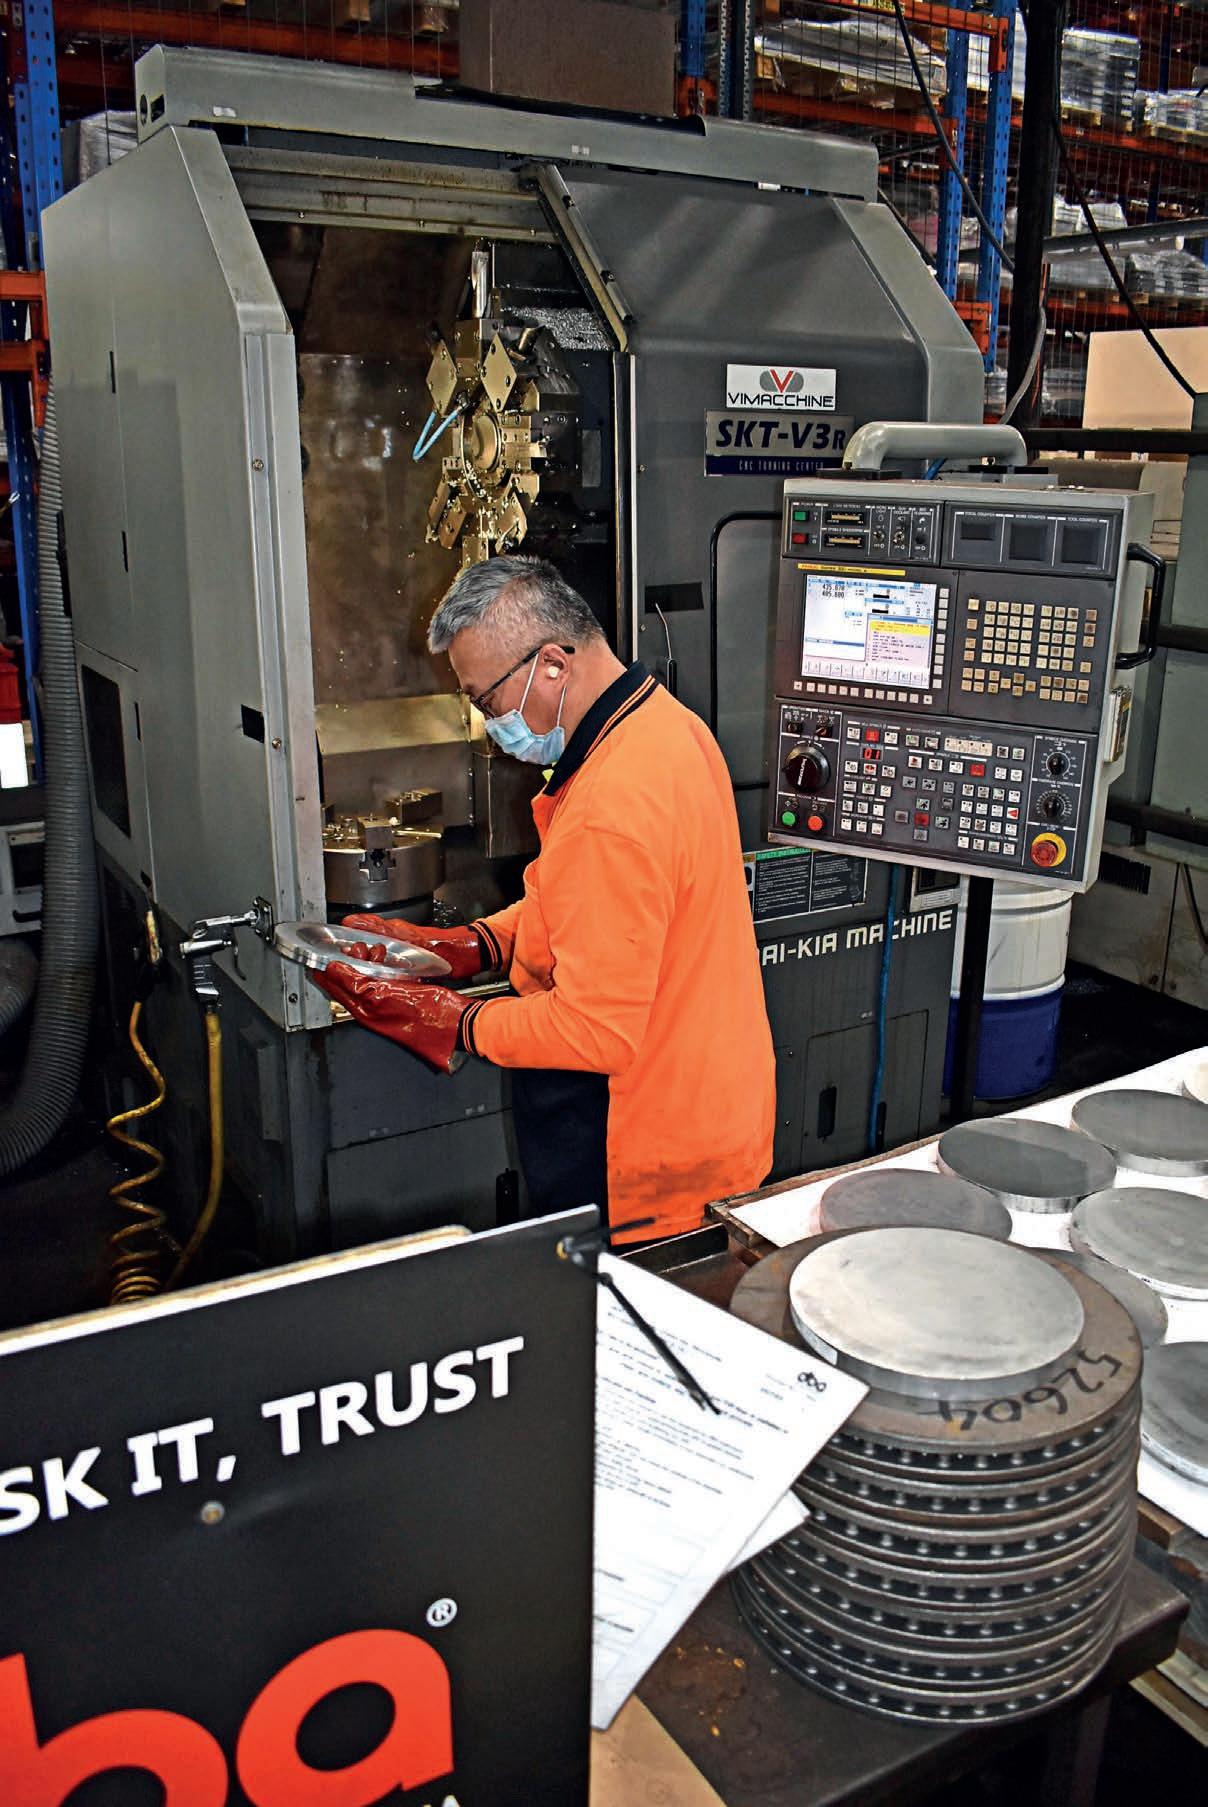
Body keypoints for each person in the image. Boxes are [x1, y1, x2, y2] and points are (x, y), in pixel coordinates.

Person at [311, 555, 775, 1243]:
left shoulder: (614, 799)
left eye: (486, 702)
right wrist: (474, 946)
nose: (487, 725)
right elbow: (595, 906)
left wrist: (456, 1021)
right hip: (707, 1113)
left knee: (611, 1312)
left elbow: (595, 1031)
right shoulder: (666, 728)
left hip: (638, 1158)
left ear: (553, 664)